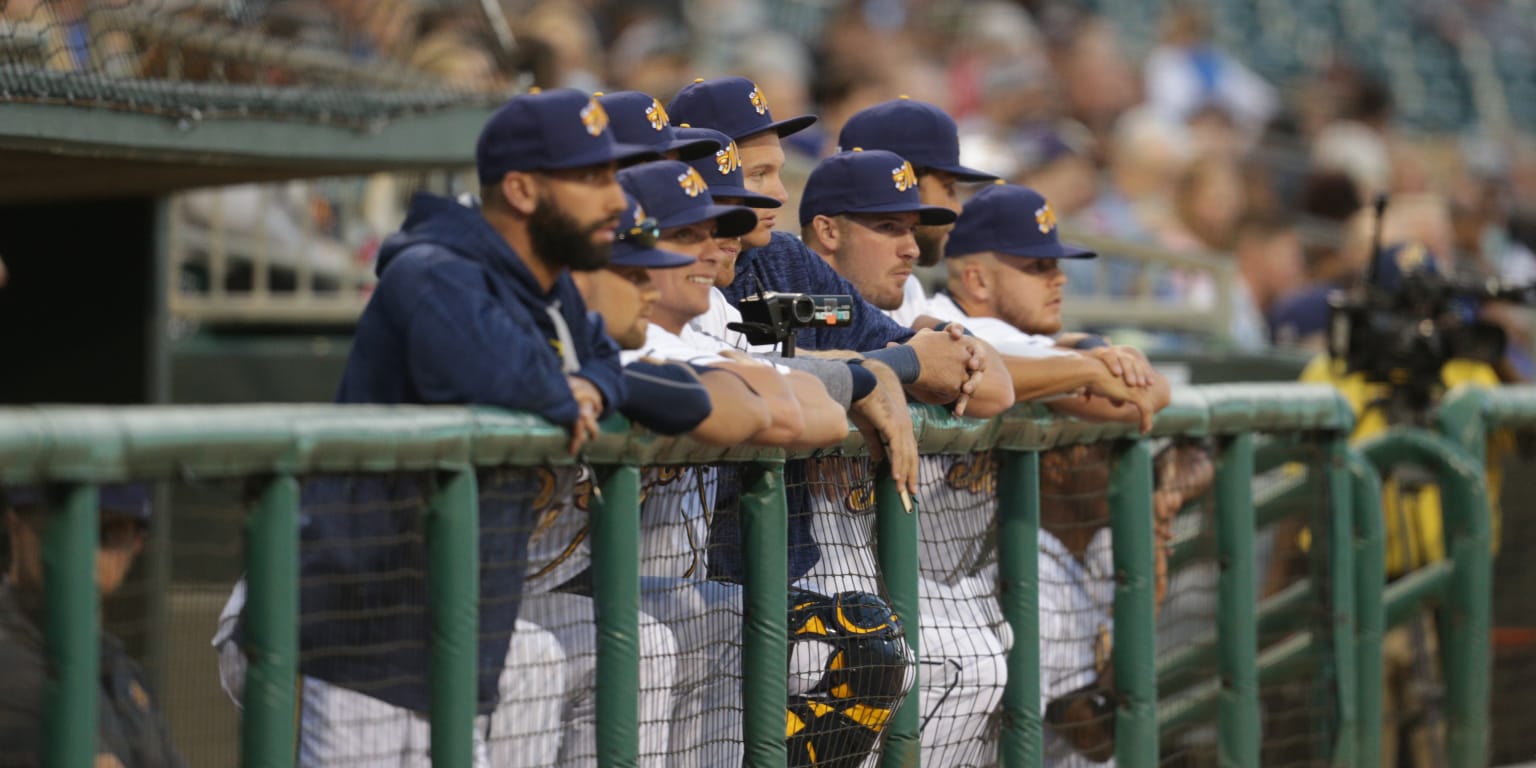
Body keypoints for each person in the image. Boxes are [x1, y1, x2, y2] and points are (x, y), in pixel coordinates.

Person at [214, 88, 653, 766]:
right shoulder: (430, 270)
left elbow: (602, 356)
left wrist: (590, 382)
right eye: (592, 178)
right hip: (347, 633)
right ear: (523, 190)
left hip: (430, 632)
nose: (617, 200)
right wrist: (561, 385)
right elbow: (502, 372)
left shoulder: (547, 287)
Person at [615, 160, 915, 768]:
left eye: (713, 231)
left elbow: (822, 416)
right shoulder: (622, 335)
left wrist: (854, 376)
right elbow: (793, 414)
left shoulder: (711, 321)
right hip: (554, 599)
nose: (711, 249)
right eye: (685, 237)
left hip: (679, 596)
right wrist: (767, 389)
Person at [667, 76, 1013, 420]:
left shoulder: (789, 261)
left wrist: (938, 339)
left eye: (778, 173)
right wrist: (894, 367)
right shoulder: (668, 273)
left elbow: (989, 388)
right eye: (757, 175)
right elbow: (744, 373)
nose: (780, 195)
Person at [0, 484, 187, 768]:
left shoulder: (125, 672)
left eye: (107, 532)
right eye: (64, 526)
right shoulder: (11, 666)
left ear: (137, 541)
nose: (84, 553)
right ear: (15, 527)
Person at [835, 96, 1001, 327]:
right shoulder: (790, 274)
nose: (958, 208)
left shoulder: (907, 286)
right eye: (948, 188)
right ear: (902, 183)